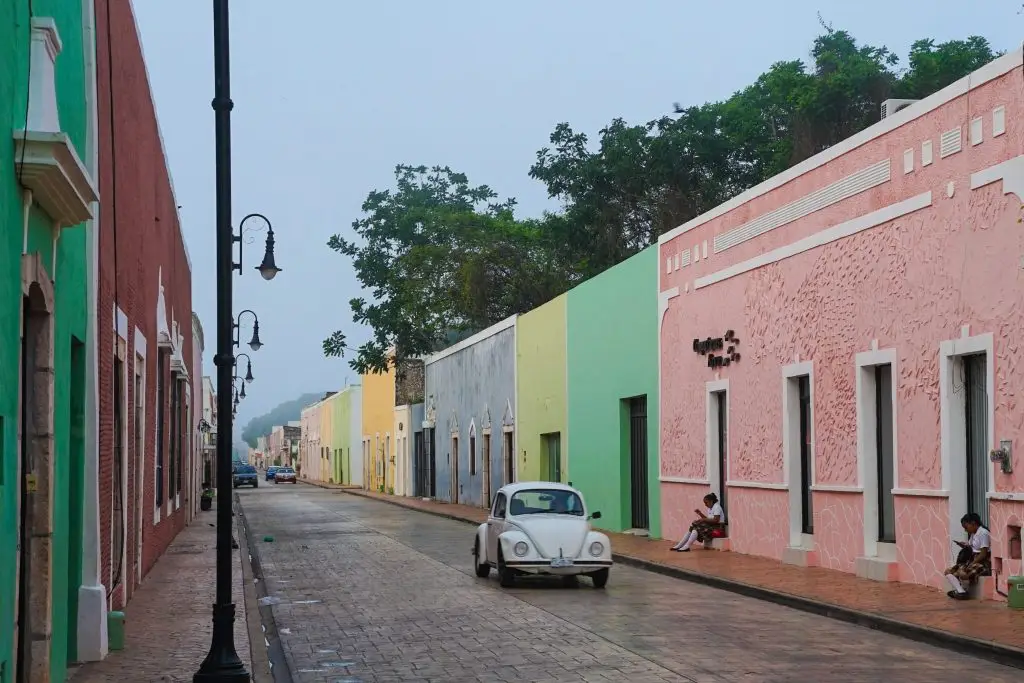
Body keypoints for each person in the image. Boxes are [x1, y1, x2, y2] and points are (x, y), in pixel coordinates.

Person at [944, 512, 991, 600]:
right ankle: (961, 591)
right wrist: (964, 545)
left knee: (963, 574)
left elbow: (983, 554)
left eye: (966, 527)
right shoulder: (973, 534)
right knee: (948, 572)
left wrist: (972, 563)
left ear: (973, 523)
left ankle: (960, 591)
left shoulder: (983, 533)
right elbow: (972, 547)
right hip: (972, 559)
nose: (965, 530)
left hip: (981, 561)